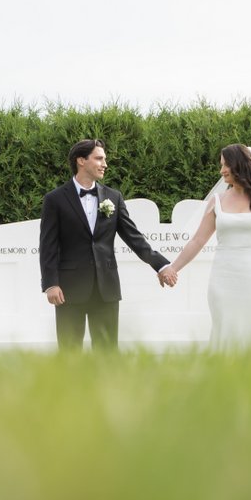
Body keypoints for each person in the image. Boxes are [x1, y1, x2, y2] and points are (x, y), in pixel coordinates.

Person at [161, 144, 251, 349]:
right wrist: (173, 268)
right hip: (223, 279)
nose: (222, 171)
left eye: (226, 165)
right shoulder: (217, 200)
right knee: (223, 329)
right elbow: (197, 240)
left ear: (241, 165)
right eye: (221, 165)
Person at [39, 139, 176, 350]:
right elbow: (48, 245)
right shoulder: (55, 199)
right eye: (99, 158)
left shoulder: (114, 197)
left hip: (106, 288)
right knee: (68, 352)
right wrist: (51, 283)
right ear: (81, 160)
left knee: (107, 353)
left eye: (105, 159)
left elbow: (134, 237)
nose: (105, 164)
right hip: (68, 289)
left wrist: (161, 265)